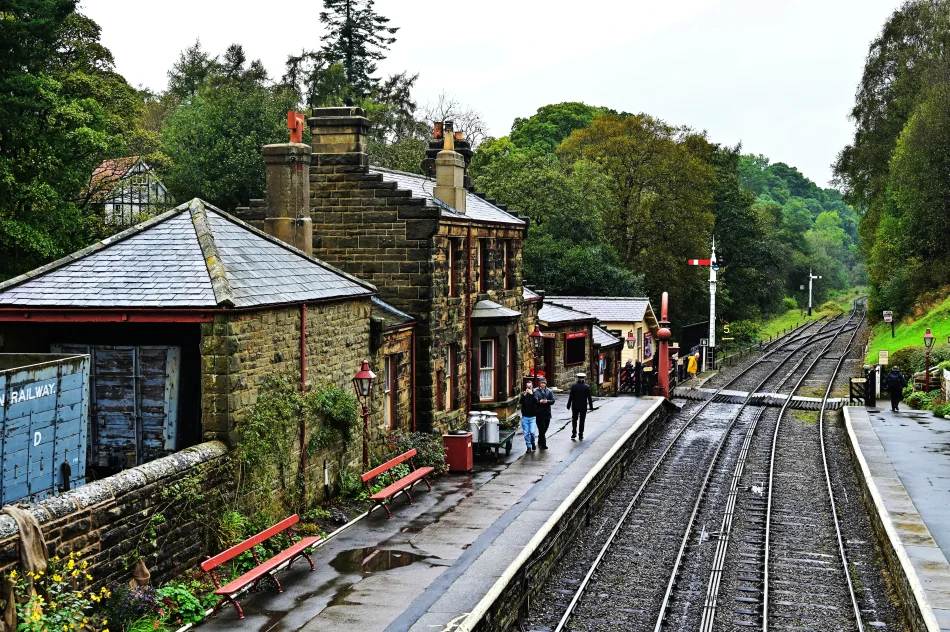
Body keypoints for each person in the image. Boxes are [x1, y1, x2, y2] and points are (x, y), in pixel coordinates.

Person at [567, 373, 595, 441]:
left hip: (575, 405)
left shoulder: (574, 386)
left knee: (574, 419)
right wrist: (591, 406)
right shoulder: (586, 387)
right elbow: (589, 397)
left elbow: (571, 396)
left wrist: (568, 404)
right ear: (584, 379)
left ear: (577, 378)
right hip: (583, 406)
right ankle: (581, 434)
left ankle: (574, 433)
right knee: (582, 420)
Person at [534, 377, 556, 450]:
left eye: (544, 383)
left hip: (547, 412)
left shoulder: (549, 391)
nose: (542, 384)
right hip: (539, 413)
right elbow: (534, 400)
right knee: (541, 429)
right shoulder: (536, 391)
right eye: (541, 383)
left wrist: (547, 401)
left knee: (545, 428)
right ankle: (543, 444)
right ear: (539, 383)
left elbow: (553, 400)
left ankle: (540, 439)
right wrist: (539, 401)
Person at [520, 380, 539, 452]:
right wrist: (524, 395)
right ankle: (528, 446)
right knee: (526, 433)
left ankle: (533, 442)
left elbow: (536, 401)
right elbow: (520, 402)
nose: (529, 387)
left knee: (532, 432)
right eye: (527, 386)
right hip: (525, 417)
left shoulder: (535, 393)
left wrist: (532, 394)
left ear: (532, 386)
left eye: (530, 386)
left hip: (532, 417)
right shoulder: (523, 394)